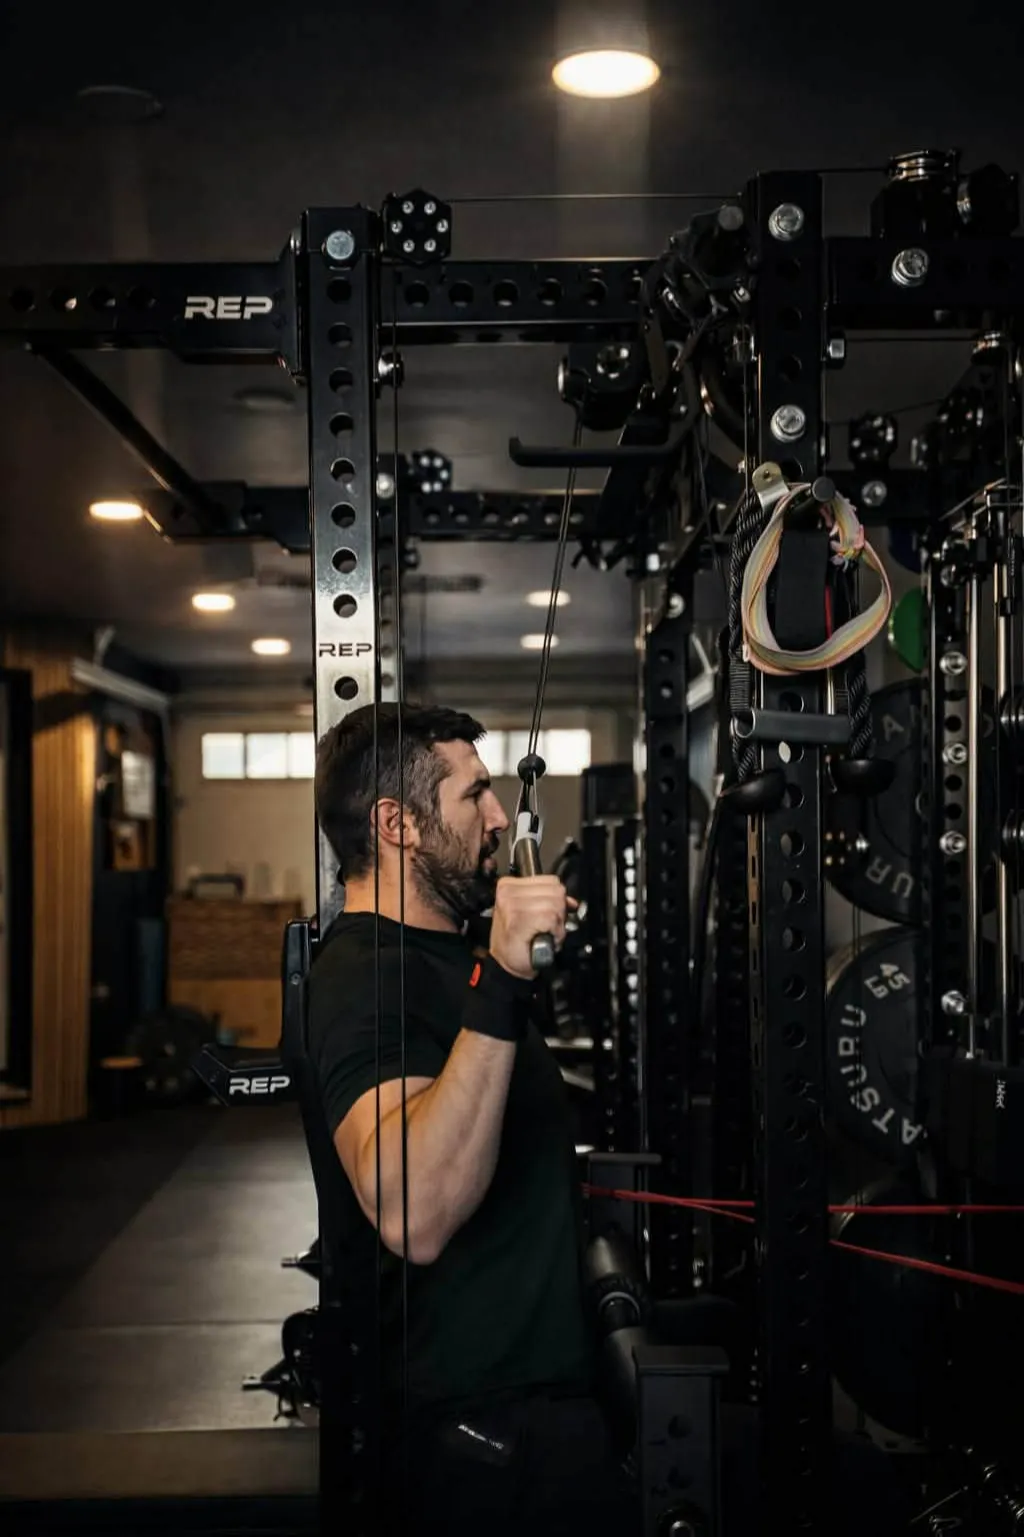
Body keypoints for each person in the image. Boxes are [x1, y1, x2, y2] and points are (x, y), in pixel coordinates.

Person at [307, 702, 638, 1537]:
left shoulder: (445, 954)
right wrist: (499, 974)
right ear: (396, 824)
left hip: (543, 1402)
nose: (500, 818)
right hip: (481, 1433)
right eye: (475, 795)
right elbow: (411, 1211)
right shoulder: (363, 977)